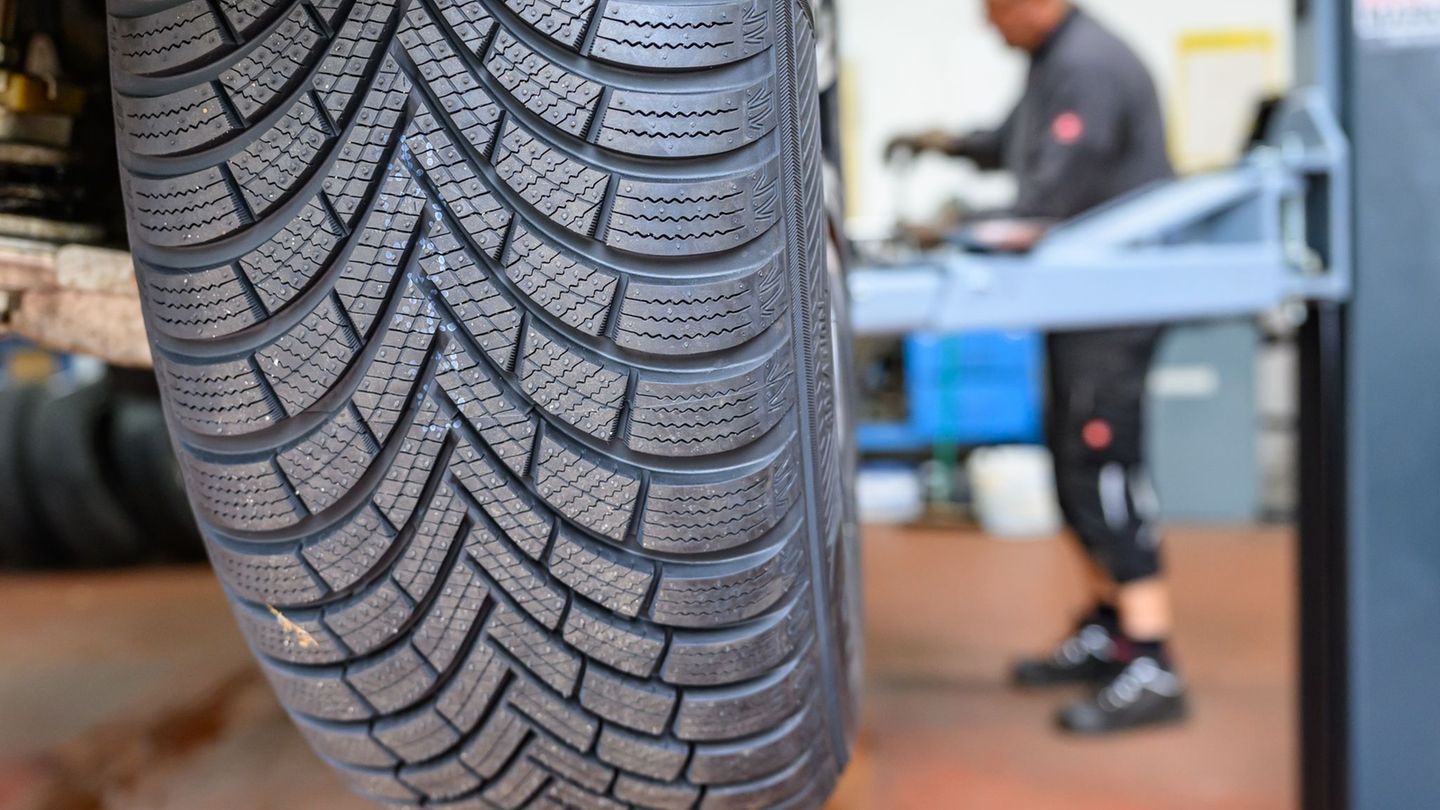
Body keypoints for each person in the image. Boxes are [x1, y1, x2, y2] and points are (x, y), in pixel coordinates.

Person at [887, 0, 1185, 734]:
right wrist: (948, 143)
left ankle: (1151, 660)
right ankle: (1109, 627)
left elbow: (1049, 195)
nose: (986, 24)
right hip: (1080, 303)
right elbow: (1016, 145)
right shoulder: (1055, 60)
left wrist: (949, 232)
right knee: (1070, 461)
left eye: (993, 8)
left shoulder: (1088, 64)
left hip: (1115, 306)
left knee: (1104, 462)